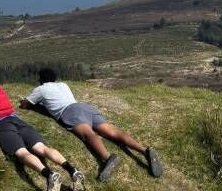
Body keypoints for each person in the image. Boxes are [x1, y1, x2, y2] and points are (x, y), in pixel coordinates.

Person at [19, 67, 164, 182]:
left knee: (89, 134)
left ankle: (108, 158)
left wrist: (26, 103)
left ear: (40, 79)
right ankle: (144, 150)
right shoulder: (63, 85)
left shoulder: (41, 89)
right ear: (55, 78)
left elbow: (26, 104)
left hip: (70, 112)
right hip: (85, 107)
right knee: (113, 132)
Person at [0, 69, 85, 191]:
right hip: (17, 120)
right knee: (42, 148)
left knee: (22, 153)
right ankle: (72, 170)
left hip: (0, 126)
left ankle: (49, 175)